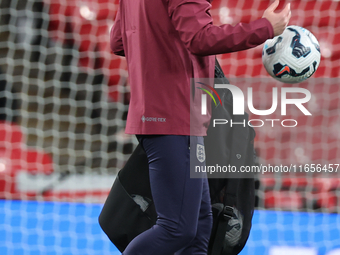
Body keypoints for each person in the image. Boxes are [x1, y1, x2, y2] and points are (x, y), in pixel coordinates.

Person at [109, 0, 291, 254]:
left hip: (156, 111)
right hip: (176, 113)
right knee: (177, 229)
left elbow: (118, 41)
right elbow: (199, 39)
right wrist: (265, 28)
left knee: (199, 223)